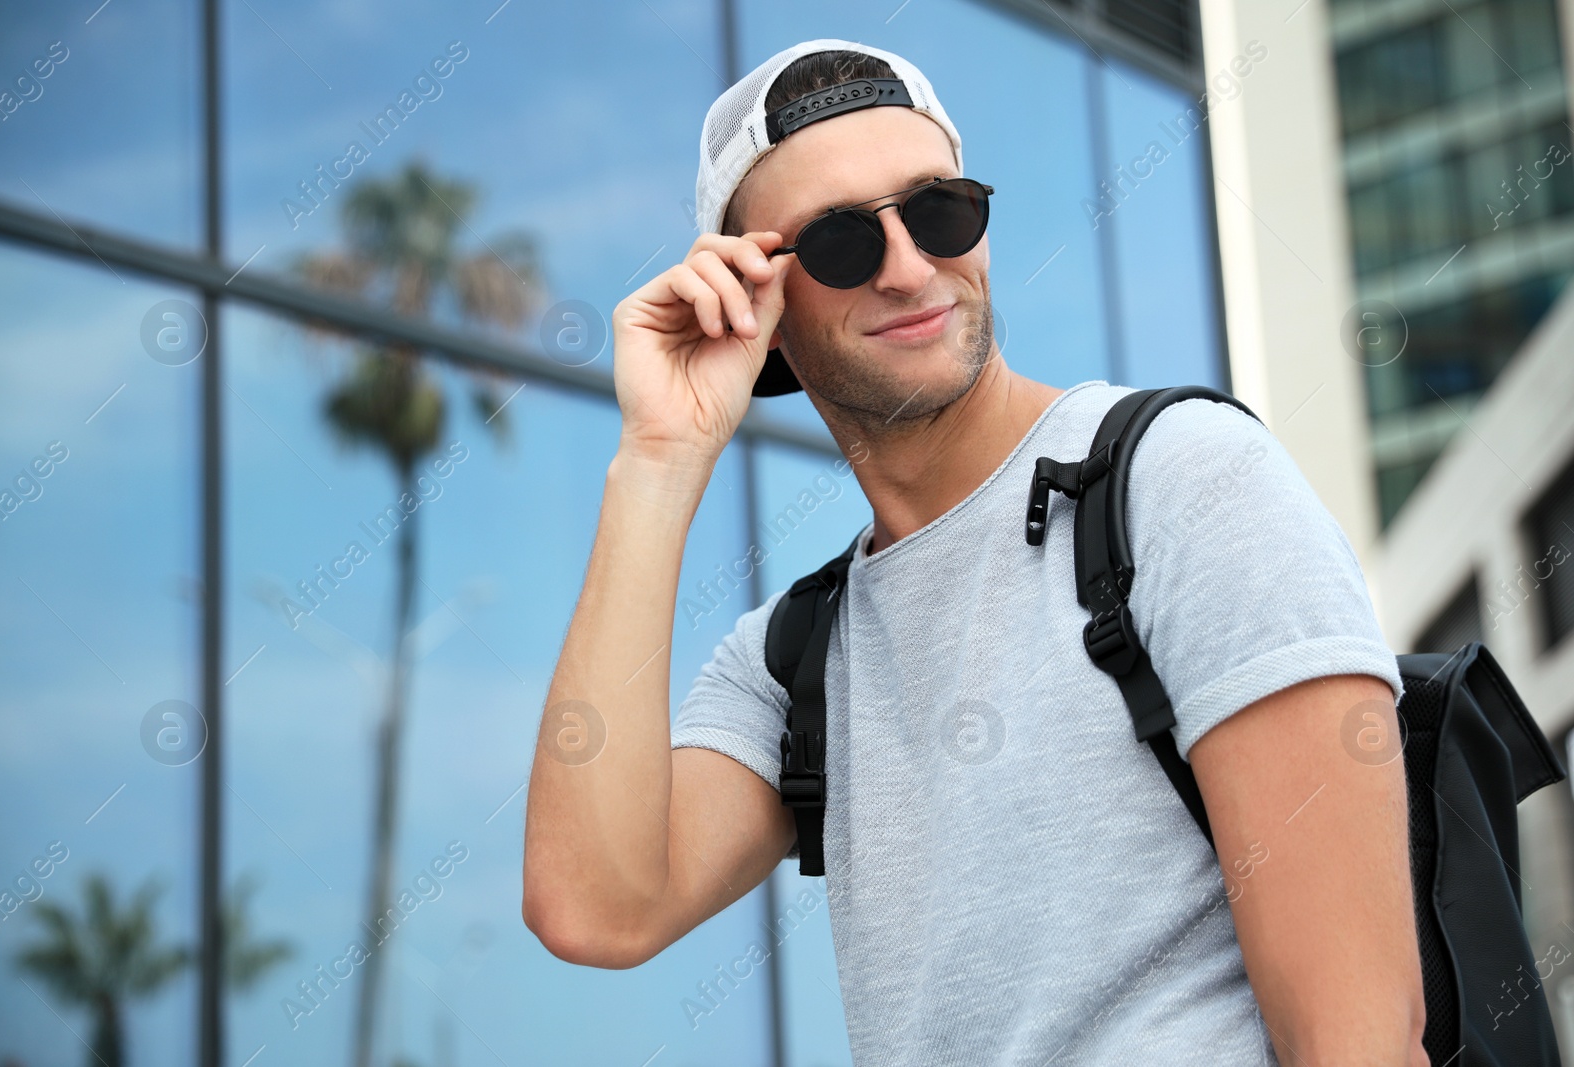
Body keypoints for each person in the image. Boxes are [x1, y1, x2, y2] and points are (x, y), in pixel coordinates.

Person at [523, 39, 1429, 1067]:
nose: (910, 267)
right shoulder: (793, 656)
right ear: (762, 309)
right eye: (838, 244)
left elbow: (1356, 1037)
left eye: (939, 209)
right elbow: (595, 906)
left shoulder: (1185, 480)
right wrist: (657, 456)